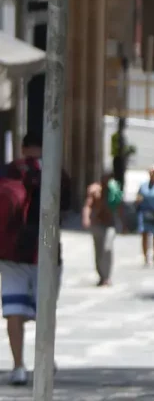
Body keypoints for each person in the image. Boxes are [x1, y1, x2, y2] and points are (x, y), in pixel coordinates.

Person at [0, 133, 71, 386]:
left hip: (10, 252)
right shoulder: (55, 172)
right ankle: (45, 358)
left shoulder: (8, 171)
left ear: (23, 147)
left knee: (13, 311)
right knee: (45, 309)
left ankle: (18, 365)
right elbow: (66, 205)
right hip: (46, 249)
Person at [82, 173, 124, 286]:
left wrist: (123, 223)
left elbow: (120, 206)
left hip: (110, 224)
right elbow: (88, 205)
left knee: (107, 248)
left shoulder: (114, 191)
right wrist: (86, 218)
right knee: (98, 251)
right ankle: (101, 275)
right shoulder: (94, 190)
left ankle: (107, 276)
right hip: (97, 224)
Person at [110, 117, 135, 190]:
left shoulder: (122, 136)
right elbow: (119, 150)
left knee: (121, 181)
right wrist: (128, 151)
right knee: (118, 181)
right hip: (118, 160)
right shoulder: (117, 136)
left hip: (122, 160)